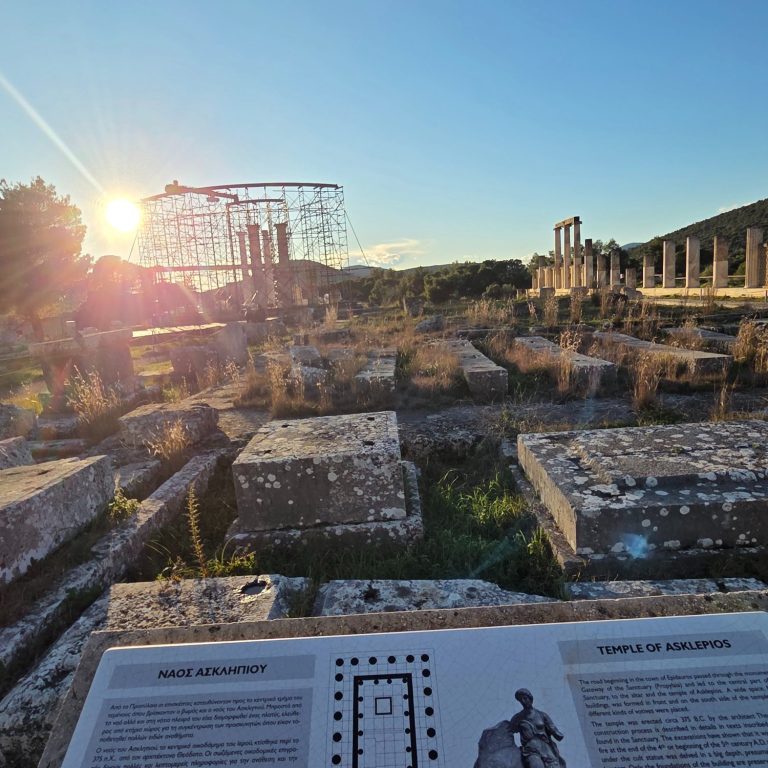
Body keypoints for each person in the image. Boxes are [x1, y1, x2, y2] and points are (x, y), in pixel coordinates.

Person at [508, 688, 566, 768]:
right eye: (521, 700)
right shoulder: (518, 718)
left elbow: (553, 729)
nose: (523, 701)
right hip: (531, 750)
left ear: (530, 698)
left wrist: (557, 734)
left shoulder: (542, 715)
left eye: (525, 698)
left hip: (546, 748)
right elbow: (508, 731)